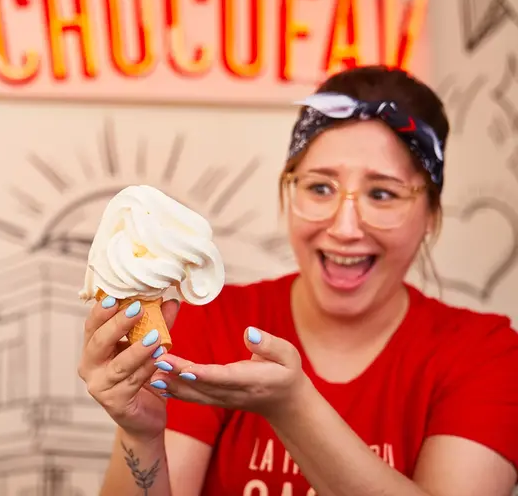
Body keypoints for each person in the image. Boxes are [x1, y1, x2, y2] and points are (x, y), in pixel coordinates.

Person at [77, 65, 518, 496]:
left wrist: (292, 408)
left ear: (431, 215)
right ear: (289, 192)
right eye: (320, 188)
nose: (345, 227)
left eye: (382, 193)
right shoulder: (214, 322)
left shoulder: (486, 355)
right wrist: (141, 436)